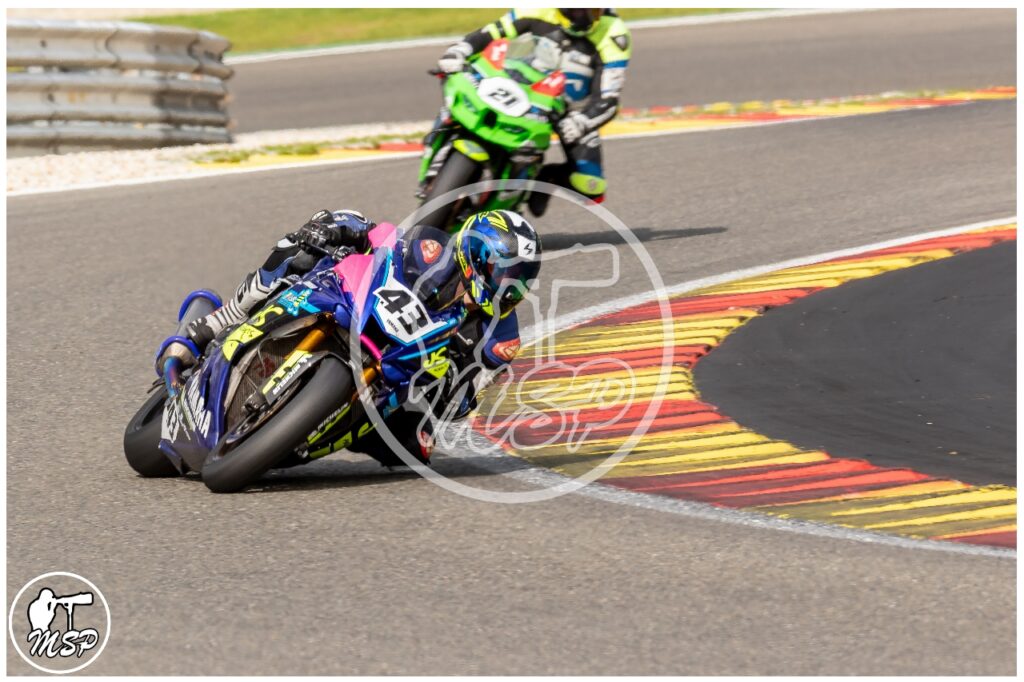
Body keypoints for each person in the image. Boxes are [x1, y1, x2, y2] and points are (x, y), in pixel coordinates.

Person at [155, 209, 541, 467]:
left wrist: (458, 379)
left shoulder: (501, 336)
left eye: (519, 279)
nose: (508, 285)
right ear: (474, 252)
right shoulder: (431, 250)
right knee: (302, 250)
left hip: (400, 379)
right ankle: (218, 321)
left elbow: (462, 402)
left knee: (417, 447)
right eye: (503, 271)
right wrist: (338, 229)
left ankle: (299, 433)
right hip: (355, 306)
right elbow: (382, 236)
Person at [425, 8, 631, 215]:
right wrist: (459, 51)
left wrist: (582, 121)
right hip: (516, 84)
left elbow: (609, 98)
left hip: (569, 111)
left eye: (594, 11)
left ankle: (543, 179)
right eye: (576, 10)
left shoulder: (614, 33)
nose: (585, 18)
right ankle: (435, 145)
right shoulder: (536, 8)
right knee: (457, 89)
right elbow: (487, 35)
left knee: (591, 187)